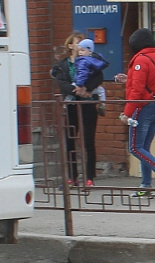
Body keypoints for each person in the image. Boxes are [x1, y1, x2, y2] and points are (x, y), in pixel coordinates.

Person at [116, 27, 155, 198]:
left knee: (135, 148)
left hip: (143, 108)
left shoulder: (140, 60)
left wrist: (127, 113)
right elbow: (151, 83)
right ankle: (146, 185)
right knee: (144, 148)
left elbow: (137, 91)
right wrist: (128, 79)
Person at [50, 31, 102, 189]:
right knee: (70, 140)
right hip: (71, 104)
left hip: (88, 103)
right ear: (70, 46)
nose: (80, 46)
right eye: (77, 43)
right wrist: (75, 90)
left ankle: (90, 177)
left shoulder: (91, 60)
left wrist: (87, 88)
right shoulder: (63, 65)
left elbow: (98, 77)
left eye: (82, 43)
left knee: (88, 141)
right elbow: (61, 82)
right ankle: (72, 177)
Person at [72, 39, 109, 117]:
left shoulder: (83, 61)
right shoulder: (93, 61)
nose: (80, 52)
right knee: (101, 91)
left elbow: (83, 73)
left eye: (82, 50)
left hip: (80, 83)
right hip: (85, 85)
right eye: (79, 50)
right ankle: (102, 104)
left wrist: (79, 85)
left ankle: (65, 104)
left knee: (73, 89)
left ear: (89, 52)